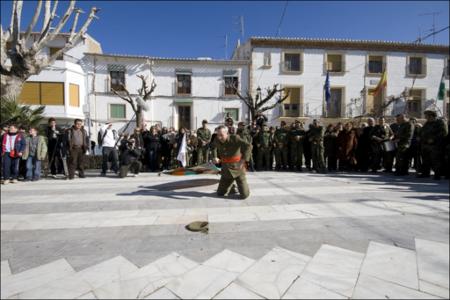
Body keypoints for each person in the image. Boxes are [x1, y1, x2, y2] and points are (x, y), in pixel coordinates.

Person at [211, 125, 252, 199]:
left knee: (244, 195)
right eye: (218, 135)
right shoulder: (216, 139)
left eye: (221, 135)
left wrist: (242, 161)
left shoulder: (235, 138)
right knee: (220, 193)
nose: (219, 137)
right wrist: (215, 157)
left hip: (238, 169)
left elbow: (248, 146)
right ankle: (232, 187)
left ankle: (236, 186)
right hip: (226, 170)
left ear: (227, 133)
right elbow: (213, 147)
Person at [417, 110, 448, 180]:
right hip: (425, 145)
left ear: (431, 115)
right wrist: (419, 136)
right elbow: (422, 131)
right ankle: (425, 173)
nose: (425, 117)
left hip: (435, 146)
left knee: (436, 160)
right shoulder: (427, 123)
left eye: (426, 115)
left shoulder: (440, 122)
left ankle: (437, 174)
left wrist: (434, 139)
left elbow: (443, 133)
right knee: (425, 160)